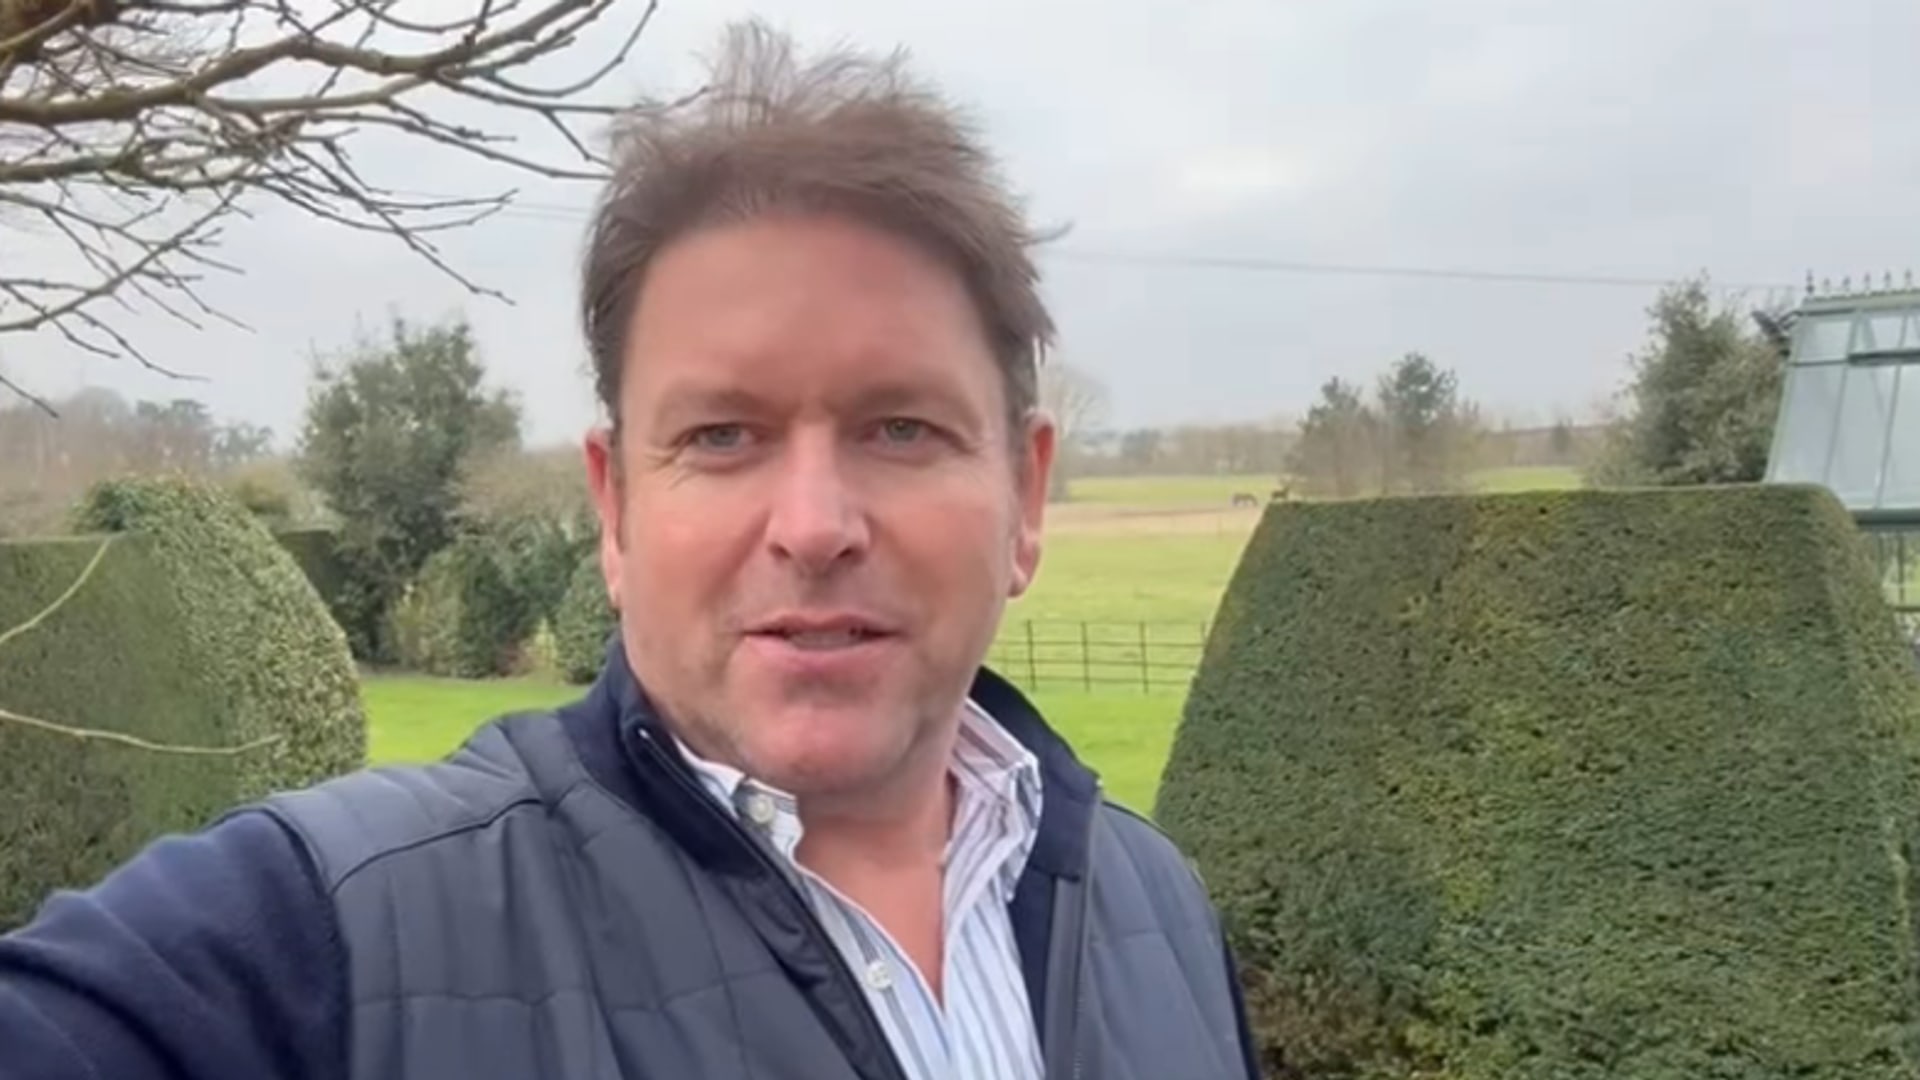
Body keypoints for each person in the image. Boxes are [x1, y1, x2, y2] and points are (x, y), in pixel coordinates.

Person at [0, 21, 1262, 1080]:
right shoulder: (337, 930)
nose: (815, 525)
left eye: (901, 427)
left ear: (1025, 494)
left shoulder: (1156, 910)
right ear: (613, 509)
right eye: (723, 436)